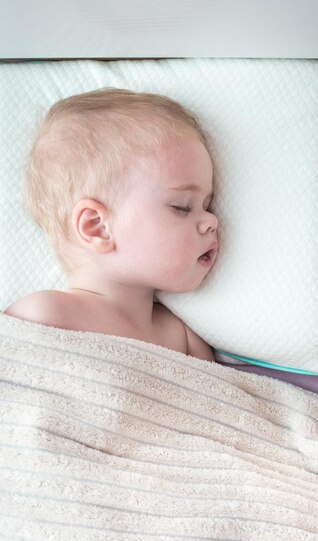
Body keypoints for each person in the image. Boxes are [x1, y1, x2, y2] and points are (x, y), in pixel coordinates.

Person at [4, 88, 218, 360]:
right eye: (182, 207)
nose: (211, 221)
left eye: (207, 205)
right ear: (97, 227)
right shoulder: (41, 315)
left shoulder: (183, 337)